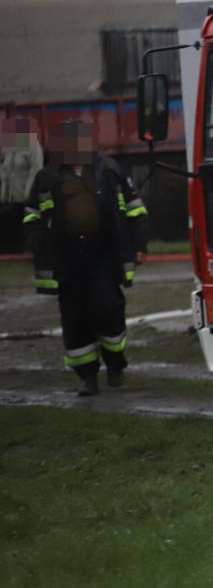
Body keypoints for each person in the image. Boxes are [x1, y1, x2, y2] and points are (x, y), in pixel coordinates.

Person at [23, 120, 149, 396]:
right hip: (67, 258)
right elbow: (32, 216)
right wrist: (38, 245)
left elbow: (135, 210)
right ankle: (87, 377)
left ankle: (115, 364)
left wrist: (137, 245)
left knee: (108, 309)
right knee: (74, 318)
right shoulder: (48, 177)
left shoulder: (110, 171)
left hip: (103, 253)